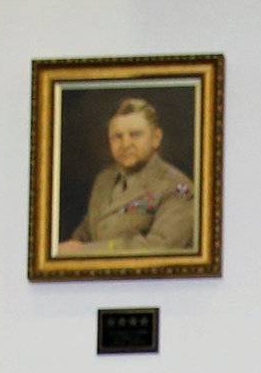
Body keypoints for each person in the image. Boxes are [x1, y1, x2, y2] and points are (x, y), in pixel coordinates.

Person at [62, 96, 197, 254]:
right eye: (117, 137)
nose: (125, 144)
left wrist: (85, 251)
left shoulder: (179, 187)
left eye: (135, 134)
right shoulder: (105, 179)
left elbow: (160, 247)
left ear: (156, 138)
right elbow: (86, 231)